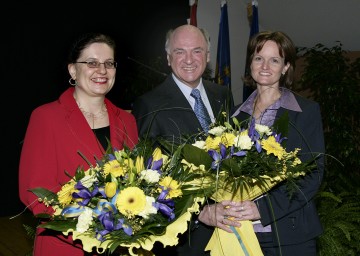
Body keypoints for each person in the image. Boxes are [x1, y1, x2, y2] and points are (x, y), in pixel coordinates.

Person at [202, 30, 324, 255]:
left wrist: (261, 209)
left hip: (290, 236)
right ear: (250, 63)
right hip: (239, 232)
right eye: (259, 58)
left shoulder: (305, 112)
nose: (265, 66)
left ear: (286, 67)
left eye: (274, 60)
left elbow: (311, 175)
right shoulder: (233, 117)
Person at [19, 32, 138, 256]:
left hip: (119, 244)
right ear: (73, 70)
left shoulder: (127, 120)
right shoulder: (46, 117)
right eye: (91, 63)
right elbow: (34, 193)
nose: (102, 70)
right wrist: (88, 225)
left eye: (108, 63)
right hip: (66, 245)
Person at [131, 24, 234, 255]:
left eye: (197, 51)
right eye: (180, 51)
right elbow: (147, 179)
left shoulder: (223, 95)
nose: (189, 59)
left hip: (229, 228)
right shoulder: (149, 105)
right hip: (183, 239)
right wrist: (199, 212)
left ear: (207, 57)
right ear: (168, 58)